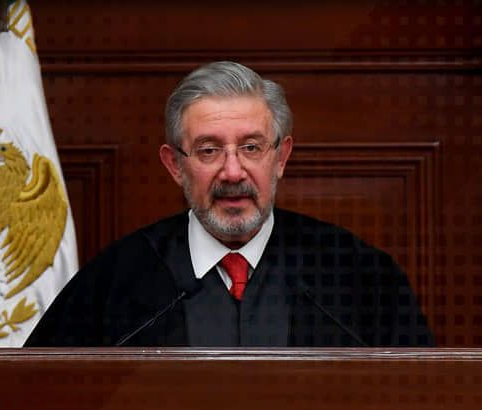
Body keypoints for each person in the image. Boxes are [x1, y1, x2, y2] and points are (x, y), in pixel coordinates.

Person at [25, 61, 434, 347]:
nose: (233, 172)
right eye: (209, 150)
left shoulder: (359, 276)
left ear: (281, 157)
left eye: (251, 147)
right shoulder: (112, 283)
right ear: (175, 165)